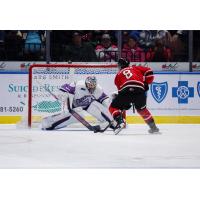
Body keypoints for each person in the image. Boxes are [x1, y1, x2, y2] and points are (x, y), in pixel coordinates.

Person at [42, 76, 118, 132]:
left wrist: (112, 101)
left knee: (97, 105)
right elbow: (64, 88)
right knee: (79, 115)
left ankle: (111, 122)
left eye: (93, 85)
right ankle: (49, 123)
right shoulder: (78, 85)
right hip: (75, 106)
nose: (91, 87)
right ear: (86, 83)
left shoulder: (98, 89)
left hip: (88, 105)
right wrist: (61, 94)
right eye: (90, 85)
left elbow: (105, 101)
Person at [109, 58, 160, 134]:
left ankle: (120, 122)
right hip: (140, 92)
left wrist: (125, 104)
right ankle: (154, 127)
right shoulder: (135, 68)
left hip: (126, 91)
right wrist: (145, 81)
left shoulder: (118, 75)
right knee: (142, 110)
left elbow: (120, 92)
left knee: (113, 107)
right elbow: (149, 71)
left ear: (120, 66)